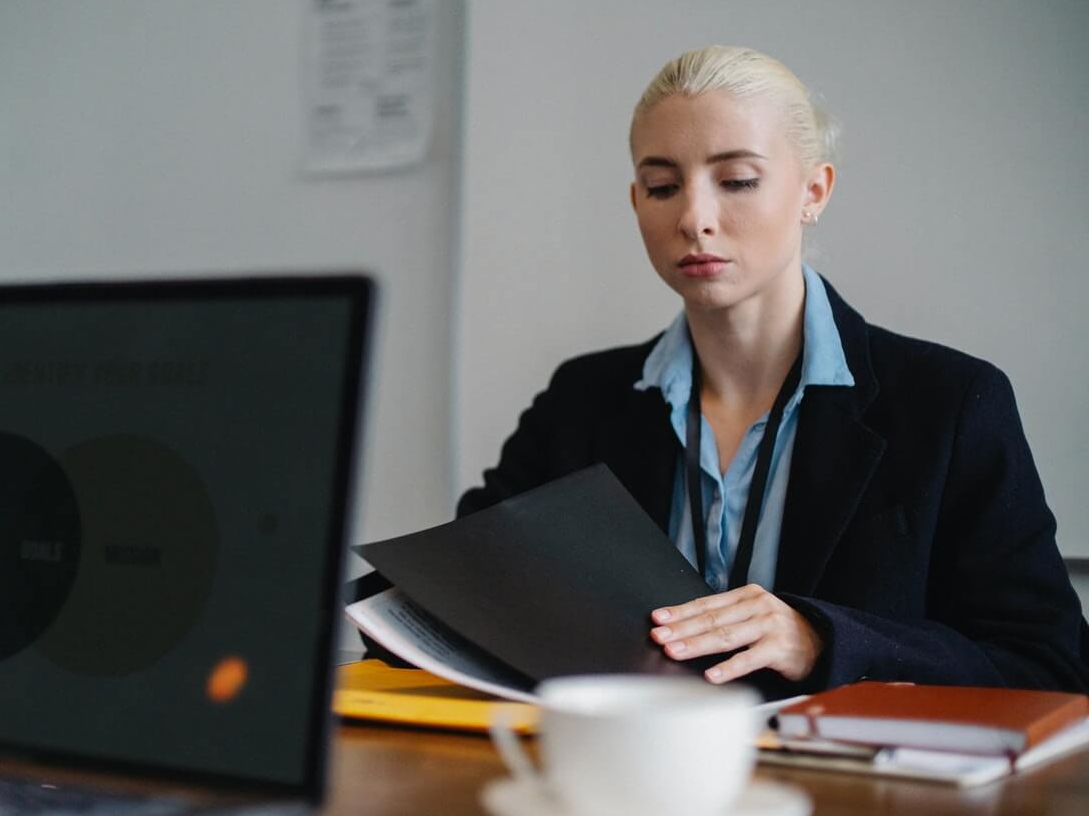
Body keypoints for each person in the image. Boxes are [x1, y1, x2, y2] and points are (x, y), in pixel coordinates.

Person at [457, 45, 1089, 695]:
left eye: (736, 181)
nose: (694, 219)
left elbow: (1049, 664)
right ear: (636, 199)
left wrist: (820, 639)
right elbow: (450, 587)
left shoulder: (950, 403)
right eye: (662, 186)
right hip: (626, 773)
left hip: (847, 790)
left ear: (813, 191)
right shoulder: (581, 399)